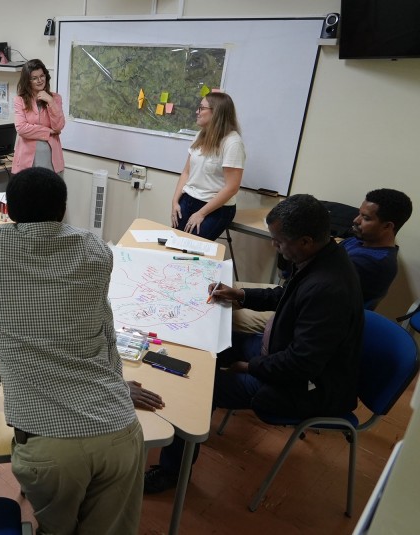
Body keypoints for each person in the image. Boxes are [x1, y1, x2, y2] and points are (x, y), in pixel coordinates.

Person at [0, 167, 164, 534]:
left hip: (49, 448)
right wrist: (116, 384)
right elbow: (103, 330)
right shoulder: (96, 250)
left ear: (9, 212)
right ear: (63, 210)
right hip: (120, 432)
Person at [146, 194, 363, 493]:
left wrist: (249, 367)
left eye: (278, 241)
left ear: (305, 241)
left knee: (198, 388)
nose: (275, 246)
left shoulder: (328, 289)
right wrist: (241, 295)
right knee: (211, 343)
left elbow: (301, 364)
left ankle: (171, 472)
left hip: (303, 385)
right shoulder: (321, 257)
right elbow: (285, 296)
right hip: (277, 352)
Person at [234, 188, 413, 334]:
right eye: (359, 214)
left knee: (229, 317)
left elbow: (296, 297)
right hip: (297, 297)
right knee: (231, 289)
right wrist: (243, 295)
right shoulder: (361, 241)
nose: (356, 220)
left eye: (366, 218)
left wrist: (245, 298)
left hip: (305, 315)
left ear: (388, 226)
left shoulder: (370, 263)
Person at [171, 92, 245, 240]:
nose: (197, 112)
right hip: (188, 200)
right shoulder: (200, 135)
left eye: (201, 108)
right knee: (174, 244)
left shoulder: (232, 143)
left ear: (216, 111)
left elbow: (232, 188)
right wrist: (175, 202)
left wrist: (201, 213)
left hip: (215, 208)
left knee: (191, 249)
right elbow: (186, 172)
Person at [11, 59, 65, 175]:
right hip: (27, 161)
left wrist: (50, 101)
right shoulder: (19, 100)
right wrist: (48, 132)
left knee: (51, 192)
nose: (40, 80)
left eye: (42, 76)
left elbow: (59, 126)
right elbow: (21, 129)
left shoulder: (56, 99)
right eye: (34, 78)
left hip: (51, 160)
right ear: (28, 81)